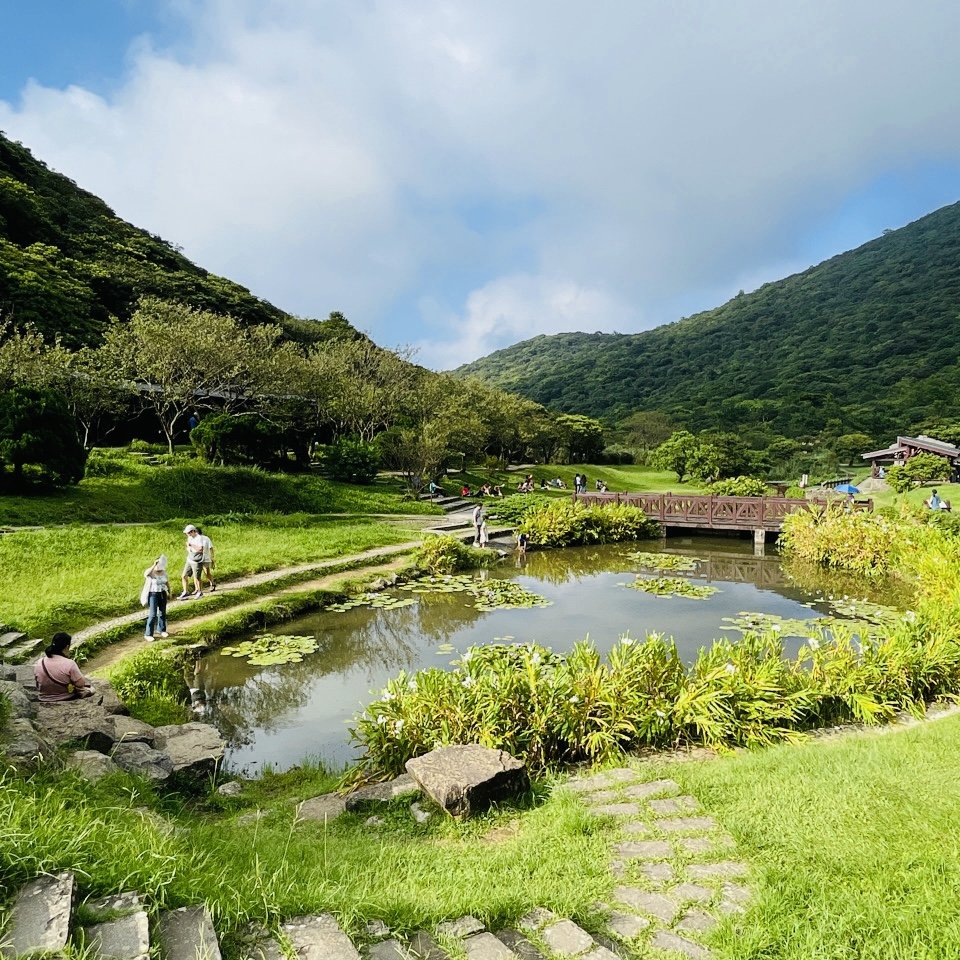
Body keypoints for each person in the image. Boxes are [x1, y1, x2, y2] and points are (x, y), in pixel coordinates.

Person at [34, 633, 93, 702]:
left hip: (44, 698)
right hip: (65, 697)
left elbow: (37, 683)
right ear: (67, 647)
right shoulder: (70, 663)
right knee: (92, 689)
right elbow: (81, 684)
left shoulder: (40, 662)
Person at [142, 555, 170, 641]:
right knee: (153, 614)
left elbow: (167, 582)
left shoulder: (164, 572)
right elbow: (145, 574)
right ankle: (148, 634)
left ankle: (161, 629)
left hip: (162, 593)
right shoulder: (151, 572)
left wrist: (169, 591)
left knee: (162, 612)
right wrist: (154, 565)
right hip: (153, 594)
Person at [178, 524, 205, 599]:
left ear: (193, 531)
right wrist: (189, 547)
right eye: (187, 533)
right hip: (190, 558)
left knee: (197, 577)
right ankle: (185, 592)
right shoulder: (189, 538)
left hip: (197, 560)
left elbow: (200, 549)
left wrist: (191, 545)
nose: (188, 534)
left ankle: (200, 592)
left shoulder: (199, 538)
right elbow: (189, 547)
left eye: (189, 533)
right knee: (184, 576)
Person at [195, 526, 216, 592]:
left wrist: (212, 557)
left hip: (206, 558)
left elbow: (211, 548)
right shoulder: (193, 539)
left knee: (207, 572)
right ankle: (197, 589)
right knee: (196, 574)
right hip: (197, 558)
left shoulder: (206, 538)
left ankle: (212, 583)